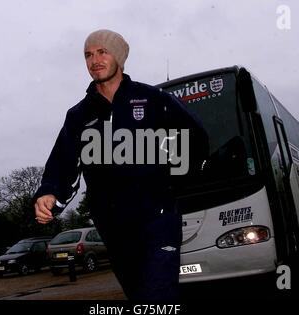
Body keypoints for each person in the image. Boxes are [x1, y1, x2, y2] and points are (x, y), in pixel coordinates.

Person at [34, 29, 209, 300]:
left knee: (157, 294)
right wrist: (49, 193)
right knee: (139, 294)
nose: (94, 60)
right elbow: (64, 162)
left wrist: (169, 186)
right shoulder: (79, 115)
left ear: (119, 56)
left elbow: (195, 142)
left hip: (157, 219)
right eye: (88, 55)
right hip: (113, 225)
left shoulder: (154, 100)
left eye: (102, 52)